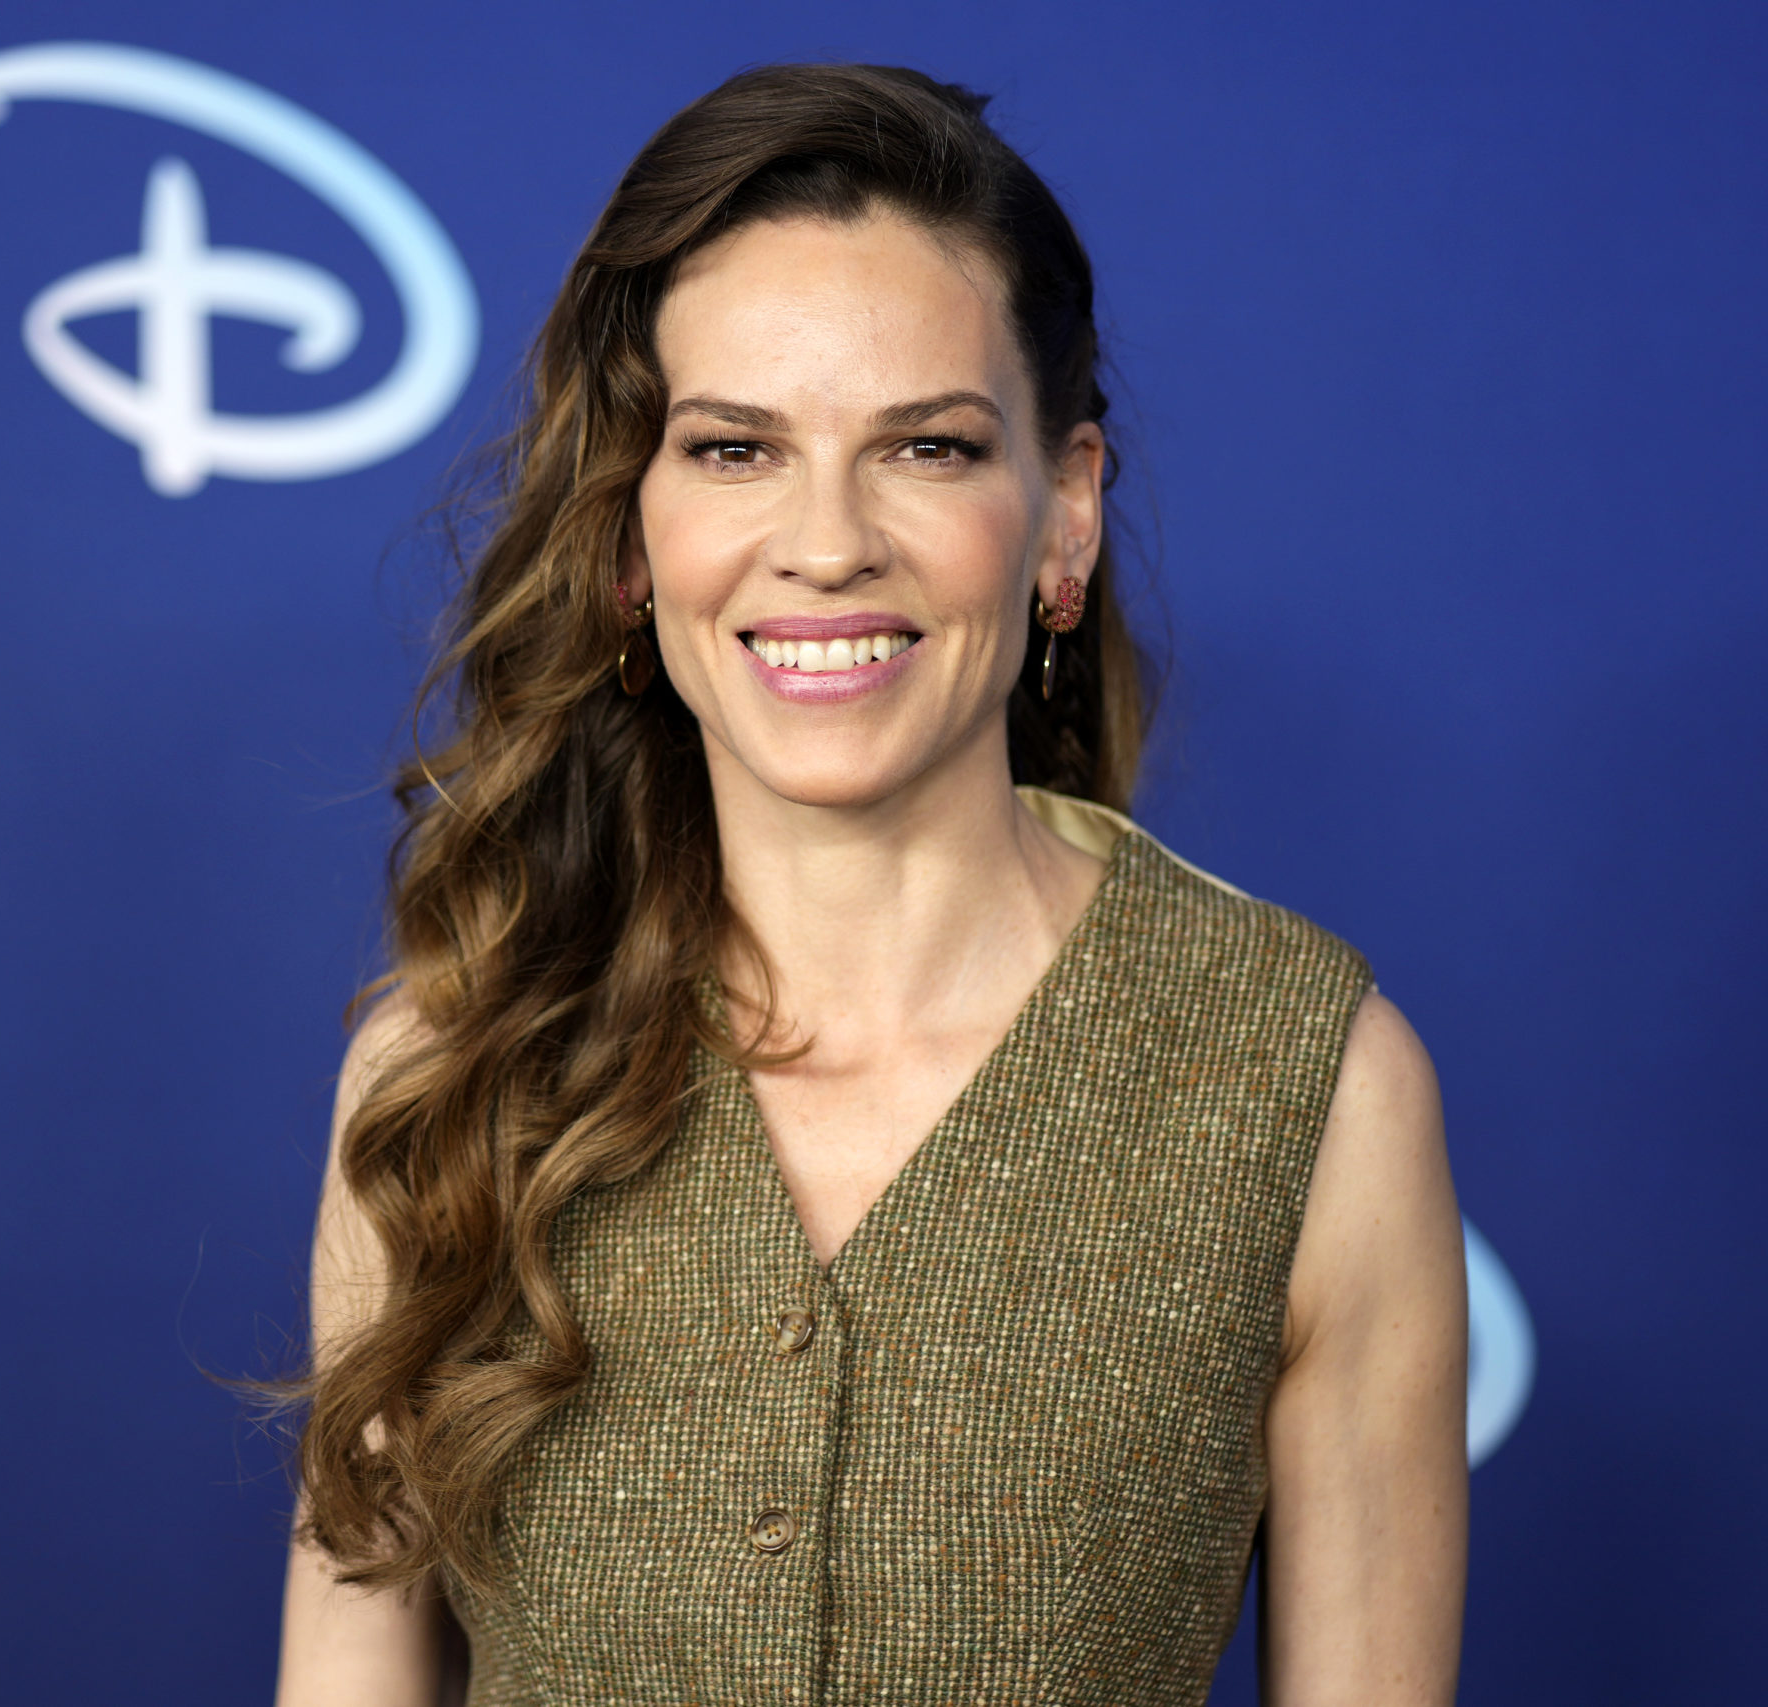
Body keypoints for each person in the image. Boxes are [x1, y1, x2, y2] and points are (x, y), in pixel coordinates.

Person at [273, 62, 1466, 1707]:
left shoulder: (1313, 1088)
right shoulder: (445, 1071)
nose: (826, 542)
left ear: (1065, 517)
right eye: (736, 448)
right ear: (632, 538)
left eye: (926, 444)